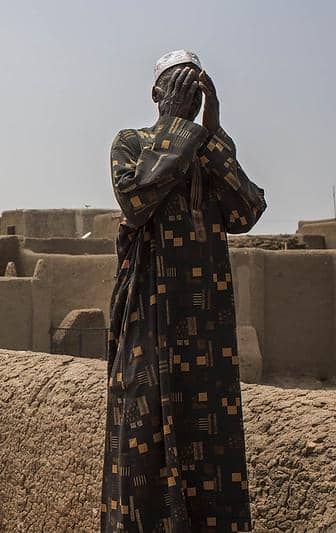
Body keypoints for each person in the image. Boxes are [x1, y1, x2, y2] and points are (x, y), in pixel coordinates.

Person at [101, 50, 266, 532]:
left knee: (210, 451)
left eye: (194, 86)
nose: (187, 93)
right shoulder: (131, 143)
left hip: (206, 331)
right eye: (177, 85)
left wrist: (211, 134)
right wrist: (178, 127)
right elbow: (136, 198)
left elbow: (246, 212)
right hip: (148, 321)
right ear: (157, 95)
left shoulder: (208, 151)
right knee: (141, 444)